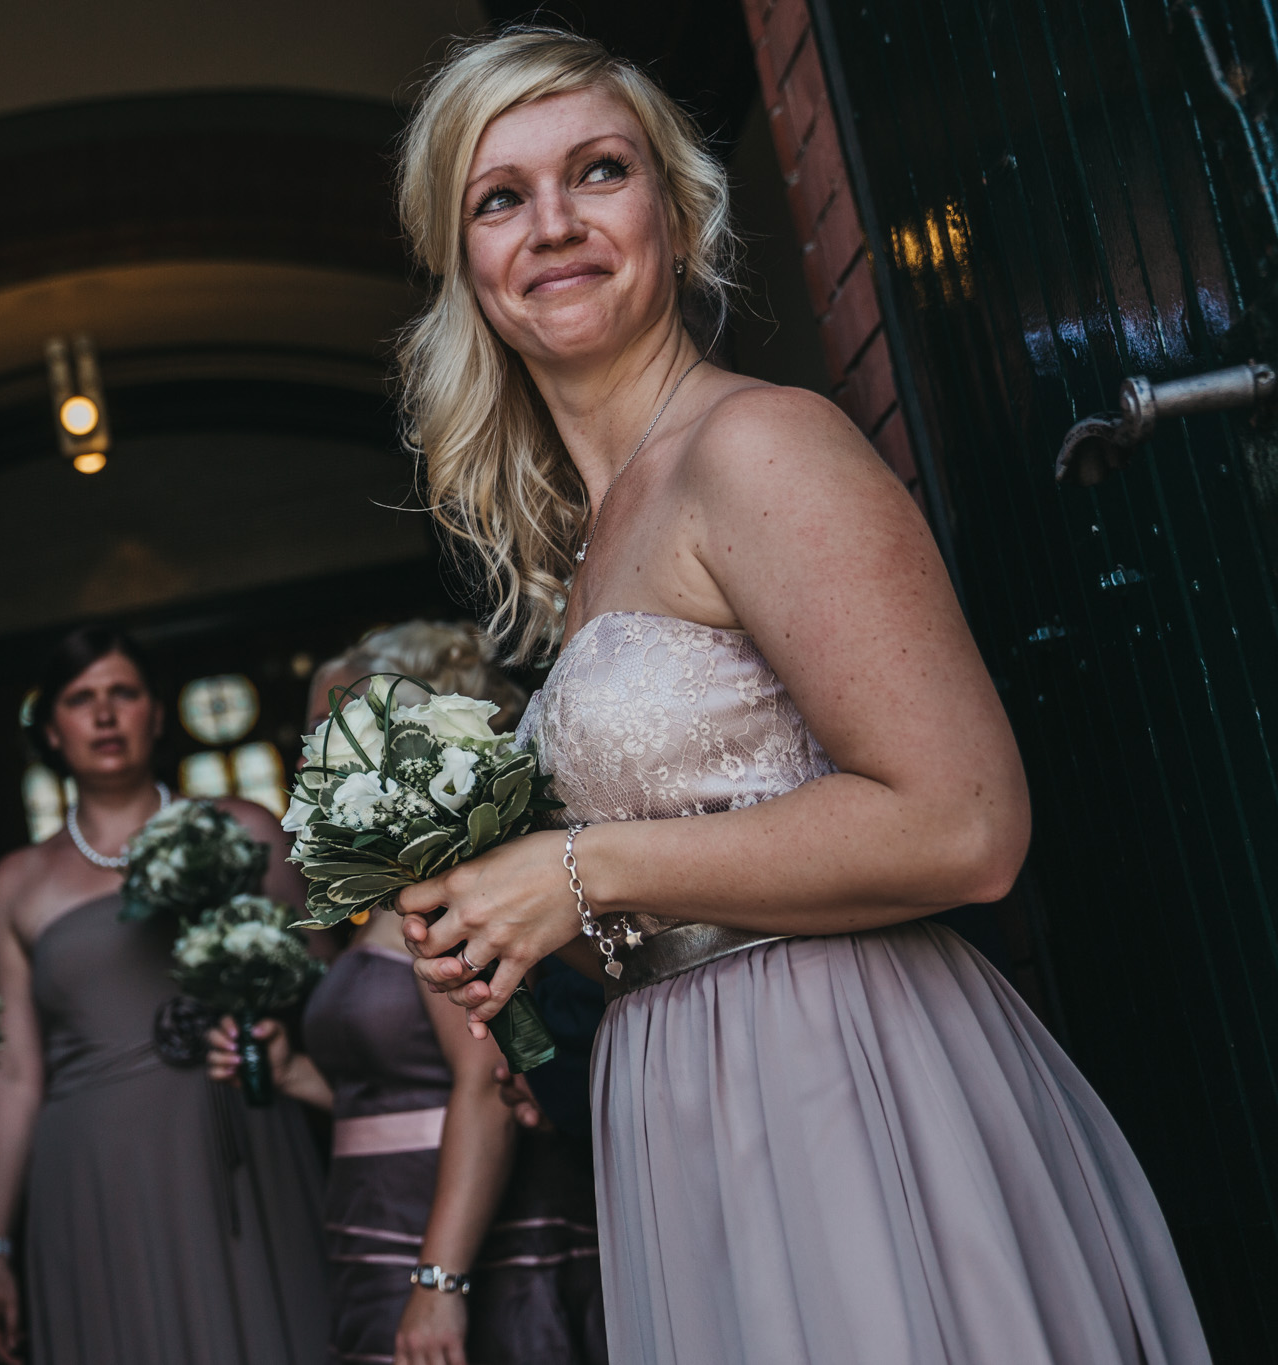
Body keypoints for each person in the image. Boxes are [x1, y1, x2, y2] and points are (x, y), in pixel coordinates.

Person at [390, 29, 1211, 1365]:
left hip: (838, 1076)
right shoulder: (596, 539)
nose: (553, 224)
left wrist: (580, 870)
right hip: (683, 1104)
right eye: (501, 196)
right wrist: (510, 911)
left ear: (672, 208)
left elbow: (967, 824)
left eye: (598, 172)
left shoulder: (758, 446)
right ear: (465, 264)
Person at [214, 621, 603, 1365]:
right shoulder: (386, 892)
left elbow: (487, 1083)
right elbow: (402, 1094)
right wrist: (297, 1071)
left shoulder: (446, 881)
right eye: (310, 732)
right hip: (373, 1220)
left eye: (335, 729)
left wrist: (439, 1280)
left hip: (450, 1235)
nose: (310, 754)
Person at [0, 625, 328, 1365]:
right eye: (81, 699)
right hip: (97, 1169)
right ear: (51, 728)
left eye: (123, 693)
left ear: (156, 713)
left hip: (237, 1131)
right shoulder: (16, 883)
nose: (105, 715)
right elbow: (12, 1070)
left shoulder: (245, 828)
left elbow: (329, 986)